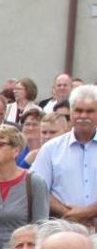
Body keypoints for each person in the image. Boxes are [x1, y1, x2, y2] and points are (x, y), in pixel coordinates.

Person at [33, 84, 97, 225]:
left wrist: (89, 212)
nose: (83, 116)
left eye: (90, 111)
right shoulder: (51, 149)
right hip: (62, 228)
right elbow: (39, 189)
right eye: (78, 111)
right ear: (71, 113)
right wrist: (69, 214)